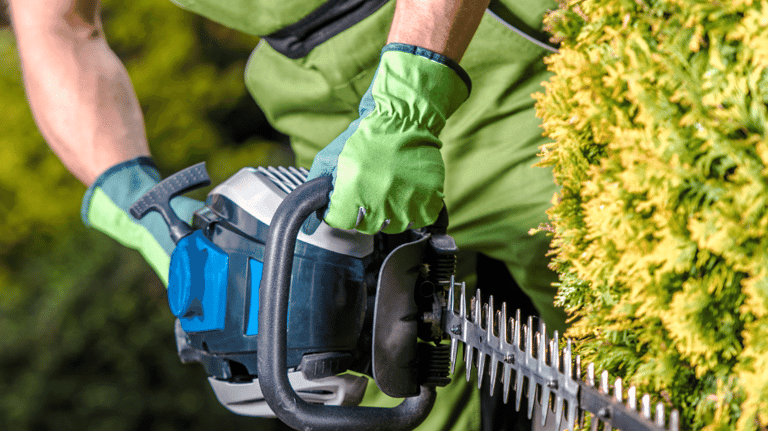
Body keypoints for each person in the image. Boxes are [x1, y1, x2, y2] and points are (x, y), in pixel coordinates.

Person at [8, 0, 566, 429]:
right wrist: (140, 207)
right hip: (313, 98)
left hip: (490, 49)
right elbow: (56, 24)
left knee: (625, 305)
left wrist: (407, 102)